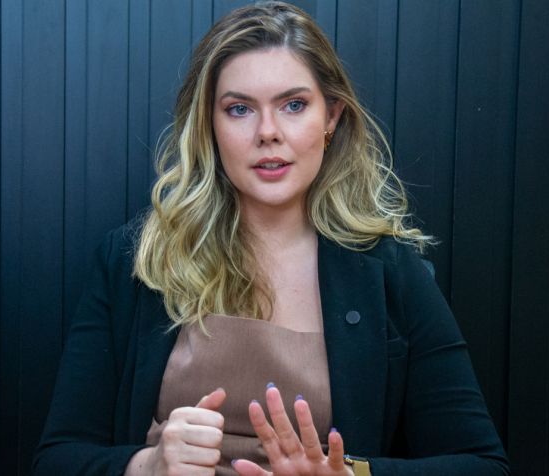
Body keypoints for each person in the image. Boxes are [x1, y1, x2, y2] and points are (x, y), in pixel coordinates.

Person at [33, 2, 509, 475]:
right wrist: (146, 467)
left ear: (332, 117)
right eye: (239, 109)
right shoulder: (135, 262)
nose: (268, 132)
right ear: (209, 125)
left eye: (294, 105)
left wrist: (350, 474)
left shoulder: (391, 274)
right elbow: (56, 460)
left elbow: (484, 465)